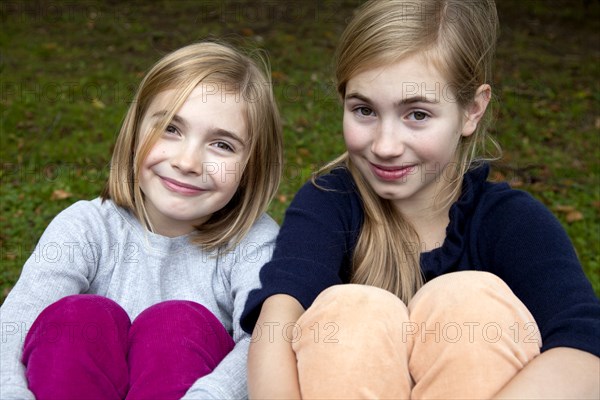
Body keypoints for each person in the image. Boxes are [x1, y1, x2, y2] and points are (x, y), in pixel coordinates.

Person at [241, 0, 600, 398]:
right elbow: (276, 324)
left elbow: (585, 351)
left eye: (417, 115)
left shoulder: (509, 222)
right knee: (352, 313)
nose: (385, 145)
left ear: (472, 110)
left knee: (469, 305)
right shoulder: (329, 204)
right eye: (364, 110)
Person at [0, 41, 283, 399]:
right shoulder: (86, 227)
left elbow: (266, 340)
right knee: (78, 317)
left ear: (252, 167)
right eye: (170, 128)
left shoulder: (252, 242)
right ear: (135, 133)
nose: (187, 161)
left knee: (177, 325)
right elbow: (14, 326)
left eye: (222, 145)